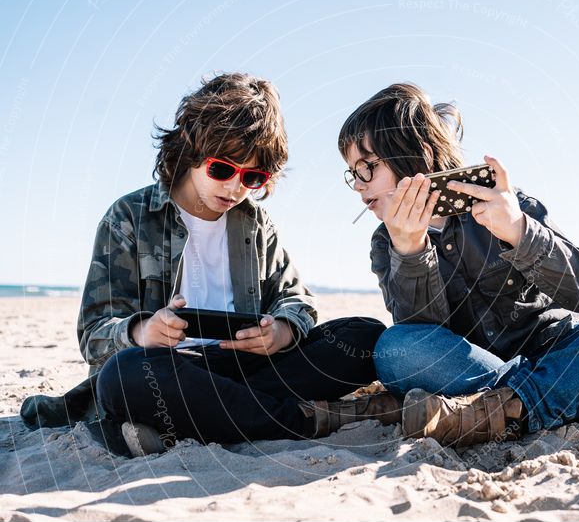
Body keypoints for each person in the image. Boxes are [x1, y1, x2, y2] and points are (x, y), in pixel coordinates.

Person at [22, 73, 399, 456]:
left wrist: (282, 332)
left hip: (247, 368)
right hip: (170, 369)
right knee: (123, 377)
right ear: (191, 148)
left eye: (253, 177)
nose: (236, 188)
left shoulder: (255, 223)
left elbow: (296, 299)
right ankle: (306, 421)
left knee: (364, 336)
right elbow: (94, 333)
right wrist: (141, 332)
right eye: (223, 169)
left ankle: (190, 422)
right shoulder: (128, 218)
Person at [337, 83, 579, 449]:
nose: (359, 187)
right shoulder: (385, 242)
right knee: (395, 349)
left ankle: (511, 410)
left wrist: (519, 232)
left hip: (552, 349)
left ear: (419, 155)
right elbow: (423, 336)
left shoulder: (507, 204)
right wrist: (411, 251)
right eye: (351, 173)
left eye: (367, 168)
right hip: (468, 367)